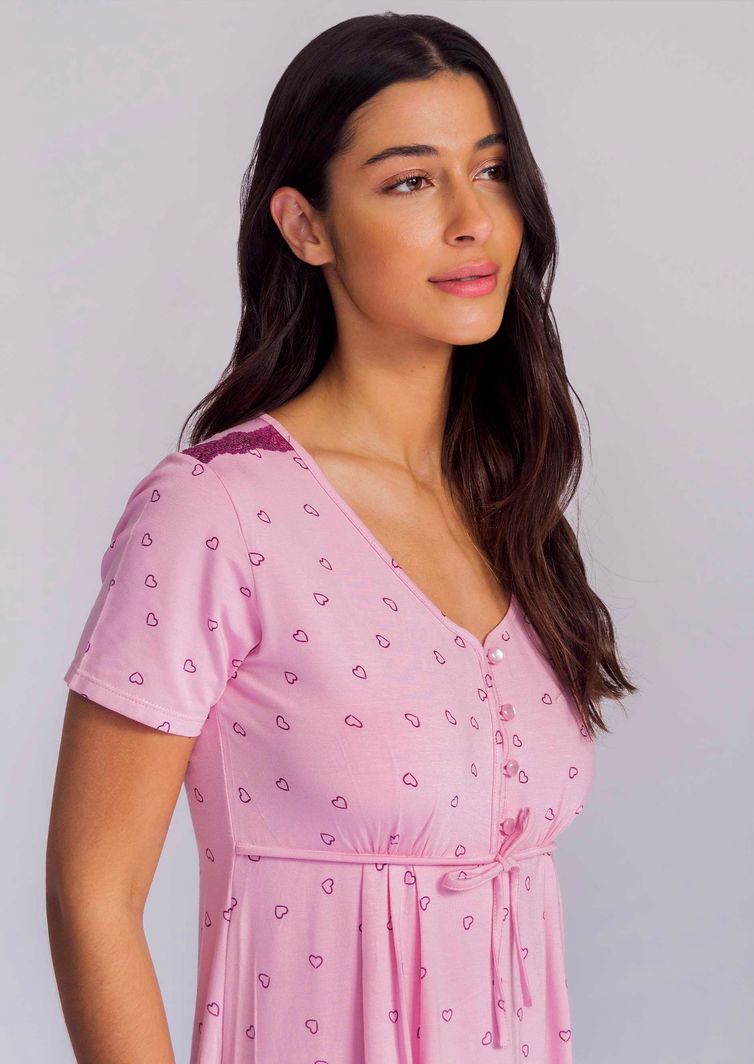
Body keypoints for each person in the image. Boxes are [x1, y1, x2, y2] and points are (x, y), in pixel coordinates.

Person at [46, 12, 636, 1064]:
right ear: (305, 226)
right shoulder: (217, 511)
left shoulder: (504, 505)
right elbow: (92, 894)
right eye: (410, 181)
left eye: (491, 171)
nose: (473, 220)